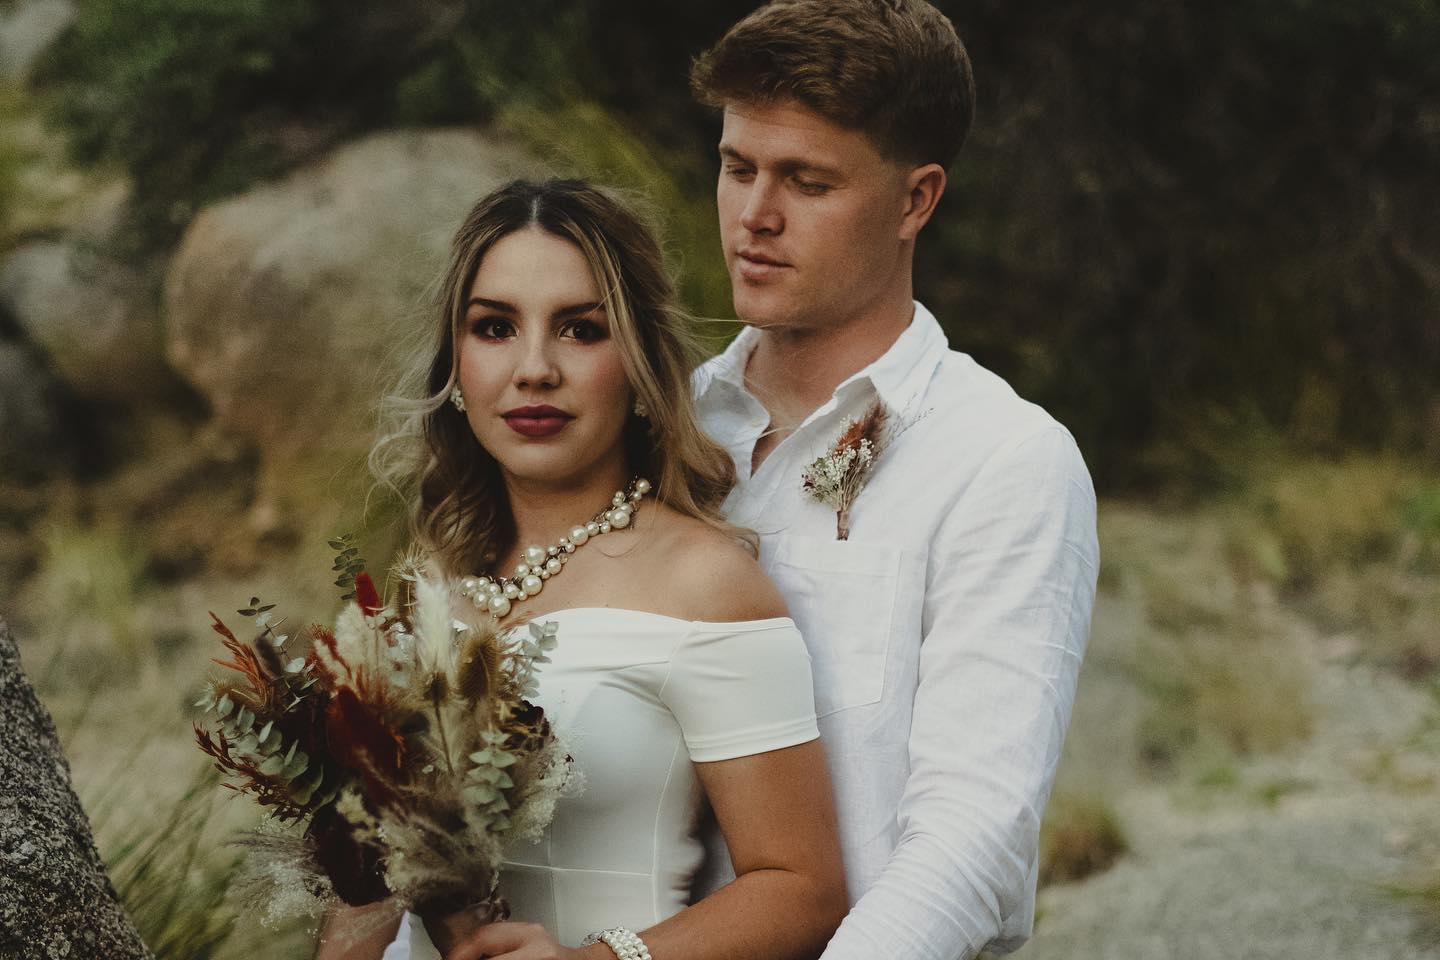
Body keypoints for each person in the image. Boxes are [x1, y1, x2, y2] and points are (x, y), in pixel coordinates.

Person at [315, 179, 847, 960]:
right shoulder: (425, 596)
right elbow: (366, 893)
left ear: (637, 365)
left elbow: (804, 889)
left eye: (581, 330)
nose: (534, 368)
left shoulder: (705, 583)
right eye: (495, 328)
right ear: (456, 366)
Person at [686, 2, 1100, 959]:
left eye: (808, 182)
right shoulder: (659, 426)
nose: (755, 216)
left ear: (917, 201)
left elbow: (975, 836)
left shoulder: (1002, 460)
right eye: (738, 167)